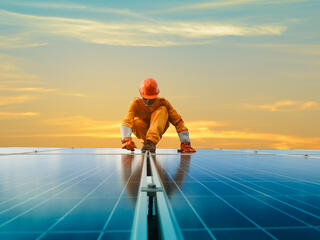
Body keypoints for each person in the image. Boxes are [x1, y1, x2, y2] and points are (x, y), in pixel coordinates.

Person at [120, 78, 196, 153]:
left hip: (159, 126)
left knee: (162, 109)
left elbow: (178, 121)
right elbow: (127, 121)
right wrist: (126, 139)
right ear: (141, 94)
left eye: (151, 99)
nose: (148, 101)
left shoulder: (163, 103)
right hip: (144, 133)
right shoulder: (136, 104)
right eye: (146, 98)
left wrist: (185, 142)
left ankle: (151, 142)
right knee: (135, 122)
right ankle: (147, 143)